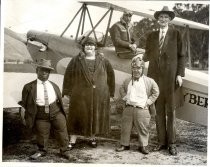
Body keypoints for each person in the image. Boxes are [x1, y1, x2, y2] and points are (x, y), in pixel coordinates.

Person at [134, 6, 185, 155]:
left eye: (166, 17)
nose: (163, 20)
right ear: (158, 19)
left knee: (171, 111)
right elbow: (148, 54)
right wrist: (139, 57)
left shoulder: (176, 34)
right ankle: (161, 142)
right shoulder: (151, 35)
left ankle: (172, 144)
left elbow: (182, 56)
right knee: (158, 111)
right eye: (161, 17)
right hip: (155, 78)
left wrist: (179, 74)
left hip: (171, 79)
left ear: (169, 19)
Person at [62, 37, 115, 149]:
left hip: (98, 95)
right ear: (83, 47)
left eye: (91, 45)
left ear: (95, 47)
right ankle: (73, 139)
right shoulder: (76, 60)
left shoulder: (103, 60)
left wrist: (111, 94)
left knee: (94, 116)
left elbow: (111, 77)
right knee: (76, 116)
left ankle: (92, 138)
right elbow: (68, 76)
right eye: (87, 45)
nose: (89, 47)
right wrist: (66, 91)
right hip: (79, 95)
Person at [19, 59, 73, 160]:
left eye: (47, 71)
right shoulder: (28, 87)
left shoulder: (54, 85)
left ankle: (65, 151)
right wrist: (27, 116)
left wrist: (59, 111)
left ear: (49, 73)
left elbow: (59, 100)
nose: (44, 72)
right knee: (42, 134)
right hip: (40, 115)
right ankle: (41, 151)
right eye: (42, 70)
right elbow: (25, 104)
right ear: (37, 71)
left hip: (56, 112)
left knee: (62, 131)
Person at [116, 56, 159, 154]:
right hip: (129, 108)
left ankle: (143, 146)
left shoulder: (149, 81)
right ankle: (124, 144)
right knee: (125, 127)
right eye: (134, 68)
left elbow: (156, 92)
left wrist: (148, 102)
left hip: (142, 109)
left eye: (138, 68)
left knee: (143, 128)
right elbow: (121, 88)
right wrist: (124, 97)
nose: (136, 71)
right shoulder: (128, 80)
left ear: (142, 69)